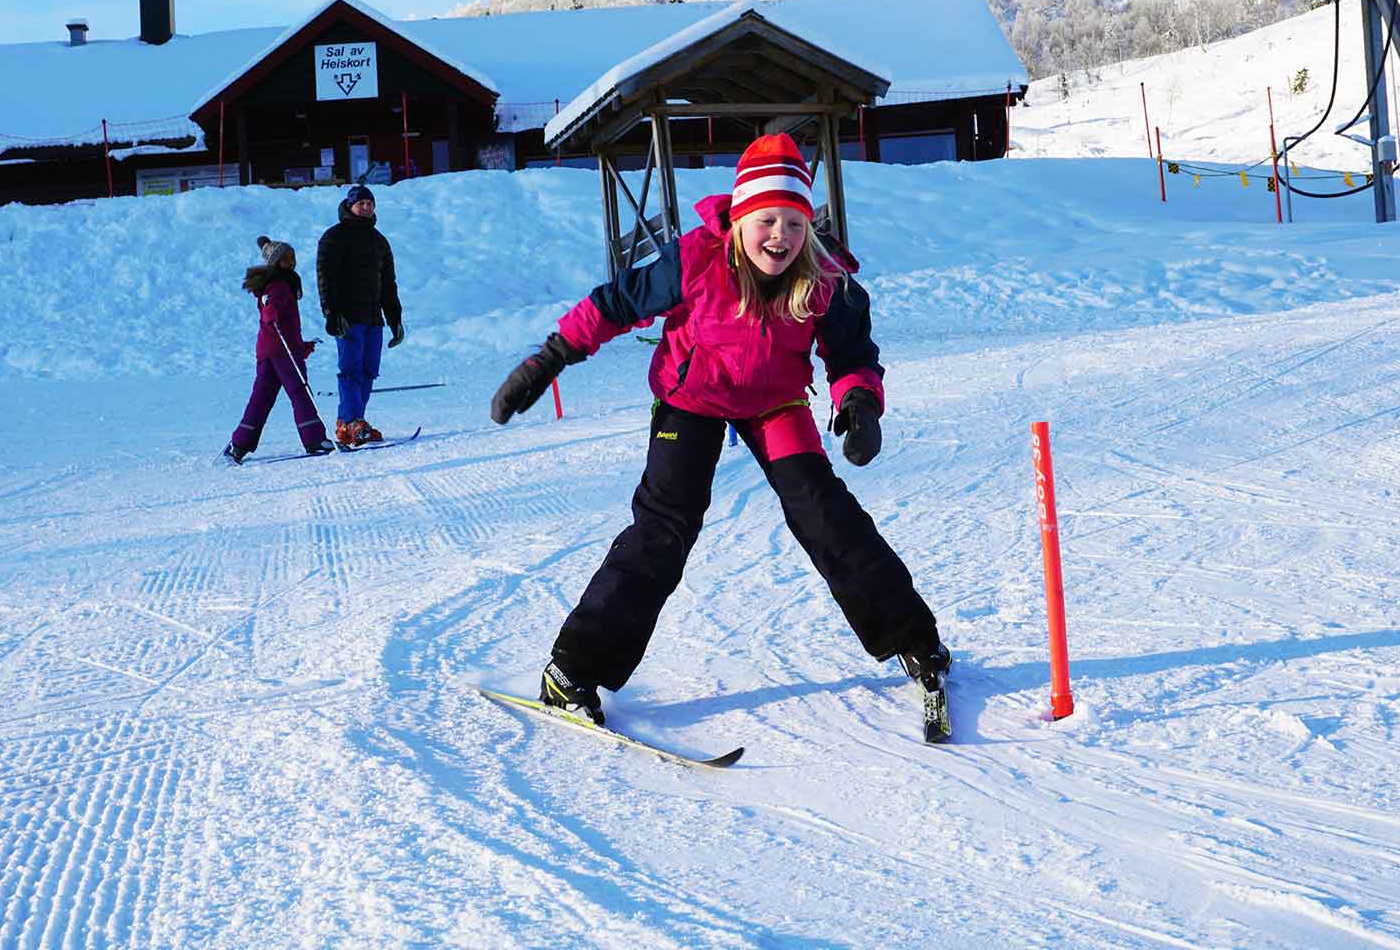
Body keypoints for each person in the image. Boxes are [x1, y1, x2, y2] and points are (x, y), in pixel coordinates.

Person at [490, 133, 948, 726]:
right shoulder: (696, 258)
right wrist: (550, 357)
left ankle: (914, 641)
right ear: (739, 219)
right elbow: (616, 304)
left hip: (775, 403)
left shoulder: (824, 277)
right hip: (692, 400)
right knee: (665, 526)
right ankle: (573, 669)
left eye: (793, 222)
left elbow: (852, 354)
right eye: (766, 220)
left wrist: (859, 405)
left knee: (825, 513)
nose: (780, 236)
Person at [222, 237, 335, 463]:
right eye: (286, 259)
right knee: (300, 391)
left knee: (262, 397)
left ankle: (239, 444)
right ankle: (315, 440)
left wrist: (301, 346)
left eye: (293, 258)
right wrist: (270, 315)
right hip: (281, 350)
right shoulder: (279, 284)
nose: (291, 263)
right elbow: (270, 306)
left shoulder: (276, 283)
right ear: (276, 262)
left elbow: (277, 314)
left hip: (270, 350)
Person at [316, 184, 405, 447]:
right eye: (361, 203)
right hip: (347, 317)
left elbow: (388, 284)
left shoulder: (380, 241)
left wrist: (395, 319)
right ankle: (353, 420)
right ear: (350, 205)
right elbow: (325, 278)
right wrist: (330, 312)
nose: (366, 207)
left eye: (370, 203)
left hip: (373, 318)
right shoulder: (334, 237)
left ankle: (351, 423)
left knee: (369, 371)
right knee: (350, 370)